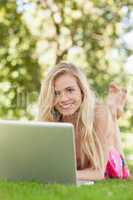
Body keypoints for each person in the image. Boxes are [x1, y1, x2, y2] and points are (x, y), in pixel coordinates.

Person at [37, 62, 130, 180]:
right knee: (107, 117)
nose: (63, 99)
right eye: (56, 93)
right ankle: (113, 110)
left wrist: (59, 176)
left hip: (108, 162)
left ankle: (113, 110)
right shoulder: (51, 118)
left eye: (70, 90)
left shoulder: (98, 114)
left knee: (121, 170)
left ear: (82, 91)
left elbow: (98, 173)